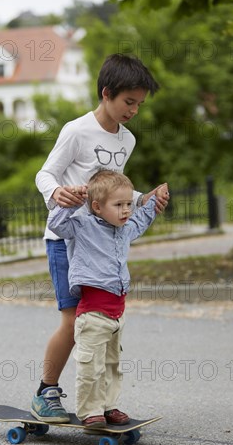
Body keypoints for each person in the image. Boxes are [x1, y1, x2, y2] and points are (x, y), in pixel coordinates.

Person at [32, 53, 169, 423]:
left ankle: (103, 401)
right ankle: (46, 391)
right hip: (65, 238)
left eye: (139, 104)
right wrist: (56, 193)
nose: (134, 110)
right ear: (106, 93)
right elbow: (45, 174)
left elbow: (113, 187)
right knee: (74, 319)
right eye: (129, 102)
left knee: (99, 324)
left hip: (98, 242)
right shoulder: (76, 131)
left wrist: (144, 198)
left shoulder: (127, 140)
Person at [46, 170, 169, 427]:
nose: (126, 210)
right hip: (92, 313)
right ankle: (90, 411)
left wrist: (154, 202)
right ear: (97, 207)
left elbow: (141, 221)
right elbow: (57, 225)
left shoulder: (123, 230)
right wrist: (72, 201)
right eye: (119, 205)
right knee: (91, 366)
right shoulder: (82, 227)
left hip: (117, 314)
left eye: (127, 204)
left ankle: (109, 406)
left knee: (112, 364)